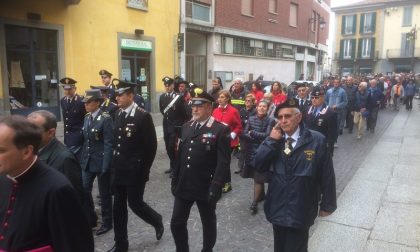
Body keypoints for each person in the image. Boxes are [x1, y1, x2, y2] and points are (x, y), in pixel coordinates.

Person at [0, 115, 94, 251]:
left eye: (1, 150)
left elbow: (75, 244)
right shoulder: (3, 177)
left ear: (26, 151)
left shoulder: (57, 189)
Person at [254, 99, 337, 252]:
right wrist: (271, 141)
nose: (283, 121)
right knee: (280, 247)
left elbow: (327, 174)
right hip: (278, 205)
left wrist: (328, 204)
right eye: (280, 117)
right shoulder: (275, 140)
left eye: (288, 116)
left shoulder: (316, 140)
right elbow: (258, 165)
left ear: (298, 118)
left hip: (302, 207)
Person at [170, 87, 230, 252]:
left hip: (206, 185)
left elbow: (223, 162)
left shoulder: (220, 129)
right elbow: (180, 156)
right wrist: (175, 178)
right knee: (176, 223)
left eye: (199, 105)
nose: (194, 109)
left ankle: (207, 249)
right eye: (193, 105)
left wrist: (216, 186)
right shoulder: (187, 126)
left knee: (208, 222)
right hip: (185, 184)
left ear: (209, 108)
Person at [108, 80, 163, 252]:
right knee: (117, 207)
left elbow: (151, 147)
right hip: (119, 169)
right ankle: (121, 244)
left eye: (121, 95)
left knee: (135, 204)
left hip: (135, 171)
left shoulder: (142, 116)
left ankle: (156, 220)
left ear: (130, 96)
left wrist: (143, 171)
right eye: (116, 95)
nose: (117, 97)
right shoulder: (117, 114)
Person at [79, 89, 114, 236]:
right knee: (84, 190)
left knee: (104, 193)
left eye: (89, 102)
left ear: (97, 103)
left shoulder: (105, 119)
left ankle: (107, 222)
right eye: (85, 102)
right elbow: (86, 141)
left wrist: (106, 165)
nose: (86, 105)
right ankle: (91, 218)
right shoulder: (87, 117)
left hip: (101, 162)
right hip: (87, 161)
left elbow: (108, 143)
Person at [240, 99, 275, 214]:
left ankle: (254, 202)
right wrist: (253, 135)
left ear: (267, 108)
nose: (261, 108)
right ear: (257, 107)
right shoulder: (251, 118)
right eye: (259, 106)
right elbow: (244, 134)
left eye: (264, 106)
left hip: (263, 152)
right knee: (256, 176)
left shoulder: (270, 120)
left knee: (259, 177)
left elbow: (267, 136)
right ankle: (260, 196)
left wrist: (253, 133)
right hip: (251, 152)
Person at [212, 90, 243, 193]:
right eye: (218, 97)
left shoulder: (233, 111)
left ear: (227, 99)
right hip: (216, 140)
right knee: (217, 161)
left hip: (229, 142)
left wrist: (231, 135)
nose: (219, 99)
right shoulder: (215, 110)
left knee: (223, 162)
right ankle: (218, 181)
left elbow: (239, 127)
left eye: (222, 97)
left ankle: (227, 183)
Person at [159, 76, 189, 176]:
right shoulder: (162, 97)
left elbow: (184, 113)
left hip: (176, 126)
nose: (167, 87)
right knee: (168, 147)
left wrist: (179, 123)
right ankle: (172, 166)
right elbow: (162, 110)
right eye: (165, 86)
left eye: (169, 85)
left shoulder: (179, 97)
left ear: (173, 85)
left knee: (173, 146)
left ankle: (176, 168)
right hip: (166, 125)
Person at [306, 86, 337, 156]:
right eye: (312, 97)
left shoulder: (330, 112)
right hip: (309, 145)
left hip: (322, 146)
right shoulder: (307, 110)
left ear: (323, 98)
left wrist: (329, 148)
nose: (314, 100)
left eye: (317, 98)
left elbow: (333, 133)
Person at [60, 77, 86, 159]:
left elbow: (86, 118)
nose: (67, 92)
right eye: (65, 89)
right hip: (67, 137)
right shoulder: (63, 100)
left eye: (70, 89)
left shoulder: (81, 101)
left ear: (75, 88)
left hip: (78, 136)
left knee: (76, 160)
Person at [236, 94, 256, 174]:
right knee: (242, 150)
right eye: (246, 101)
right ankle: (240, 167)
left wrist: (245, 121)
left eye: (249, 101)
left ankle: (250, 167)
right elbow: (239, 120)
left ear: (253, 103)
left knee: (251, 150)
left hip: (251, 133)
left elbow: (254, 121)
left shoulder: (255, 111)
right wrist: (245, 121)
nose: (247, 102)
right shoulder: (241, 110)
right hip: (242, 133)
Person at [325, 78, 347, 146]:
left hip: (338, 112)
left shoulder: (342, 91)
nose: (336, 83)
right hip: (329, 112)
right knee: (327, 126)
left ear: (339, 83)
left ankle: (334, 141)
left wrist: (337, 106)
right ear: (333, 83)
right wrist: (327, 106)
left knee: (336, 127)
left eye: (337, 82)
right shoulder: (329, 91)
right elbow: (325, 100)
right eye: (335, 82)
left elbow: (345, 102)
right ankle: (327, 140)